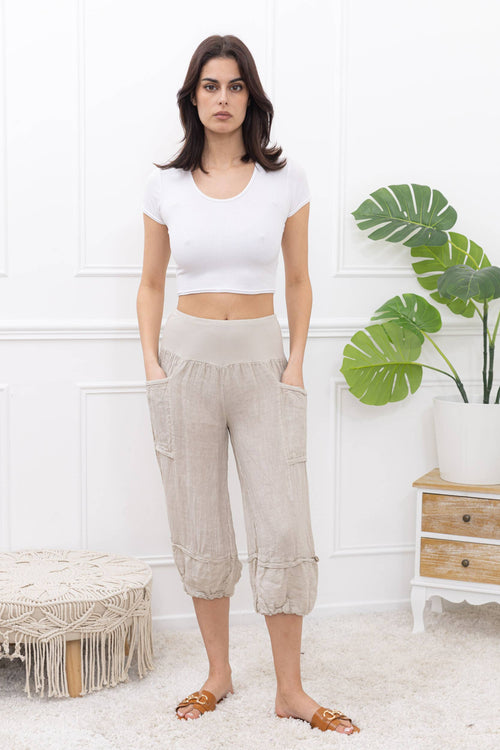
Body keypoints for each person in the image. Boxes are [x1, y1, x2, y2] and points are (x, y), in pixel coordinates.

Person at [137, 34, 360, 736]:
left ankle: (291, 690)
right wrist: (152, 365)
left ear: (250, 96)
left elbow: (298, 279)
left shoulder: (285, 182)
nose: (223, 98)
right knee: (199, 522)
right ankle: (218, 675)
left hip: (265, 368)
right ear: (193, 97)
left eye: (235, 86)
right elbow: (150, 284)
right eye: (210, 85)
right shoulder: (166, 186)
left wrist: (294, 363)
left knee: (283, 523)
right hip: (186, 368)